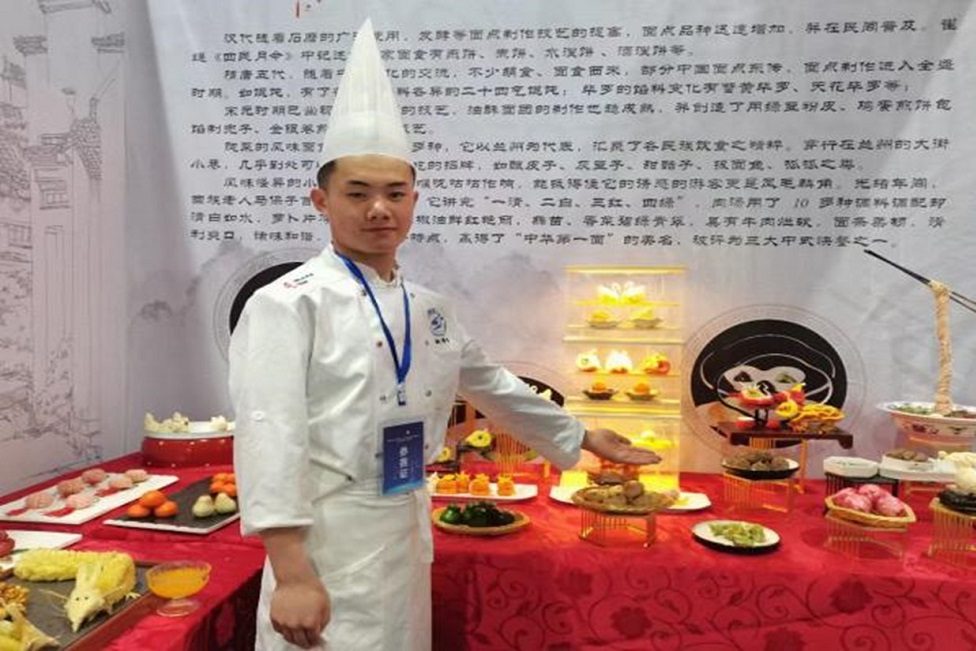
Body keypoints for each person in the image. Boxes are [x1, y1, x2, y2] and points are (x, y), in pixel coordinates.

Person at [229, 19, 660, 651]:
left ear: (414, 199)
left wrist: (583, 436)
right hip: (325, 538)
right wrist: (291, 572)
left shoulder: (429, 308)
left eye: (395, 193)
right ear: (321, 201)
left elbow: (491, 385)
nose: (380, 209)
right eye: (358, 193)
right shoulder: (287, 303)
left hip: (404, 527)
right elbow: (269, 435)